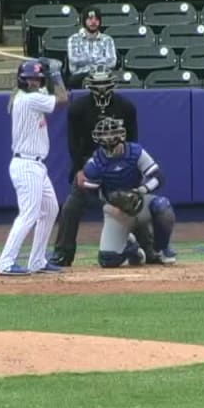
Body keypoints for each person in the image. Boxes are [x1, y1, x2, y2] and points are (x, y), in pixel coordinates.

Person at [49, 69, 163, 268]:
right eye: (97, 85)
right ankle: (63, 252)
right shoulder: (78, 108)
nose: (102, 90)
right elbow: (73, 142)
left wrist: (130, 169)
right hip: (91, 164)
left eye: (105, 85)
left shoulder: (126, 107)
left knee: (131, 203)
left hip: (120, 161)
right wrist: (78, 169)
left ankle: (149, 248)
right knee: (71, 206)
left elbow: (132, 141)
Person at [0, 59, 69, 276]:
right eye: (31, 80)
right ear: (22, 81)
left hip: (36, 165)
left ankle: (37, 260)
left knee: (51, 209)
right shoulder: (28, 99)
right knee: (29, 213)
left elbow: (47, 93)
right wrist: (56, 73)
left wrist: (43, 68)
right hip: (26, 164)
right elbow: (63, 98)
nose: (35, 83)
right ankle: (5, 263)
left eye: (37, 79)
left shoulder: (30, 96)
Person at [81, 117, 177, 267]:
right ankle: (131, 248)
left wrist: (141, 190)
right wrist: (109, 203)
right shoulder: (95, 164)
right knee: (108, 260)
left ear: (121, 136)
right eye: (105, 136)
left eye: (112, 135)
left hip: (139, 203)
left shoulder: (135, 152)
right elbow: (90, 193)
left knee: (162, 206)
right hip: (116, 211)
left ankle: (162, 248)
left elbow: (158, 177)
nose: (109, 139)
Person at [66, 6, 117, 88]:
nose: (93, 22)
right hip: (80, 76)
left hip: (102, 75)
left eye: (96, 19)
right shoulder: (74, 39)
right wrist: (98, 60)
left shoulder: (108, 39)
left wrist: (88, 62)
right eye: (90, 19)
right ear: (84, 21)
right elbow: (74, 59)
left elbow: (111, 62)